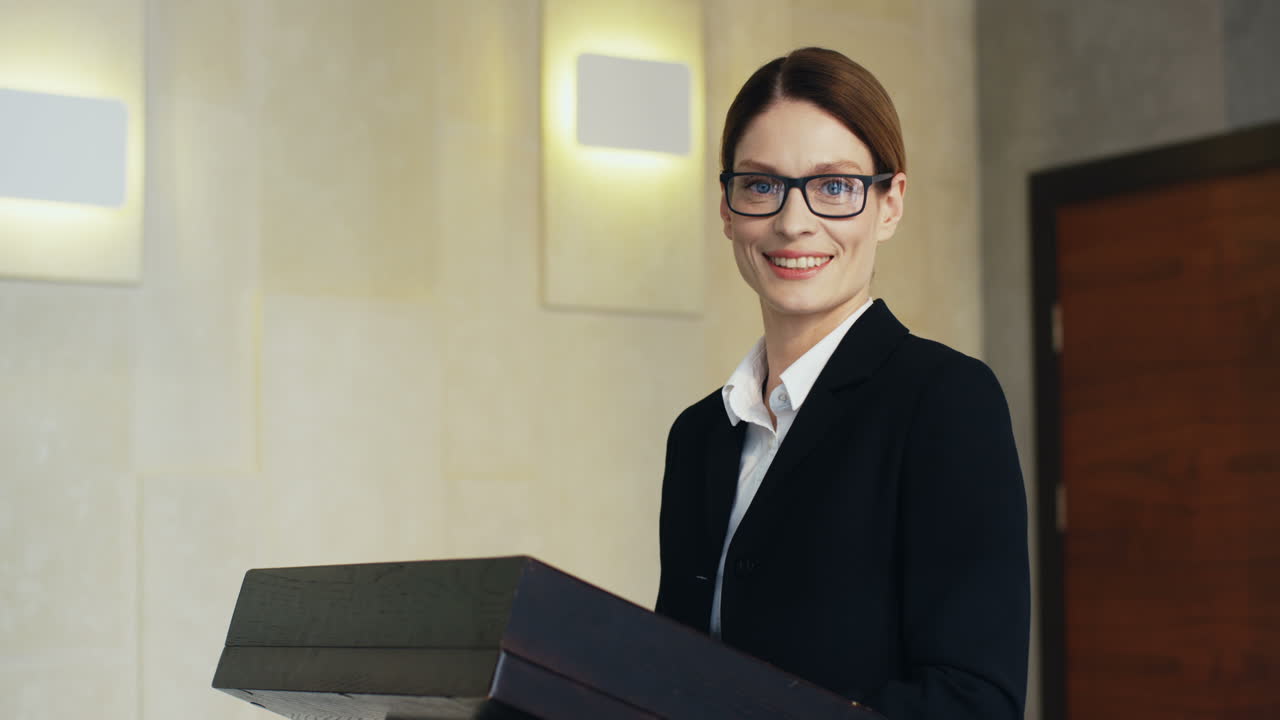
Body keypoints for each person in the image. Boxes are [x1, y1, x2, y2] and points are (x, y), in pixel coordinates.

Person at [655, 47, 1030, 719]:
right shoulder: (699, 435)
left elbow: (972, 700)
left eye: (833, 187)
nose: (793, 222)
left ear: (890, 205)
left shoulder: (945, 401)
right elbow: (675, 676)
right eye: (761, 185)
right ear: (728, 209)